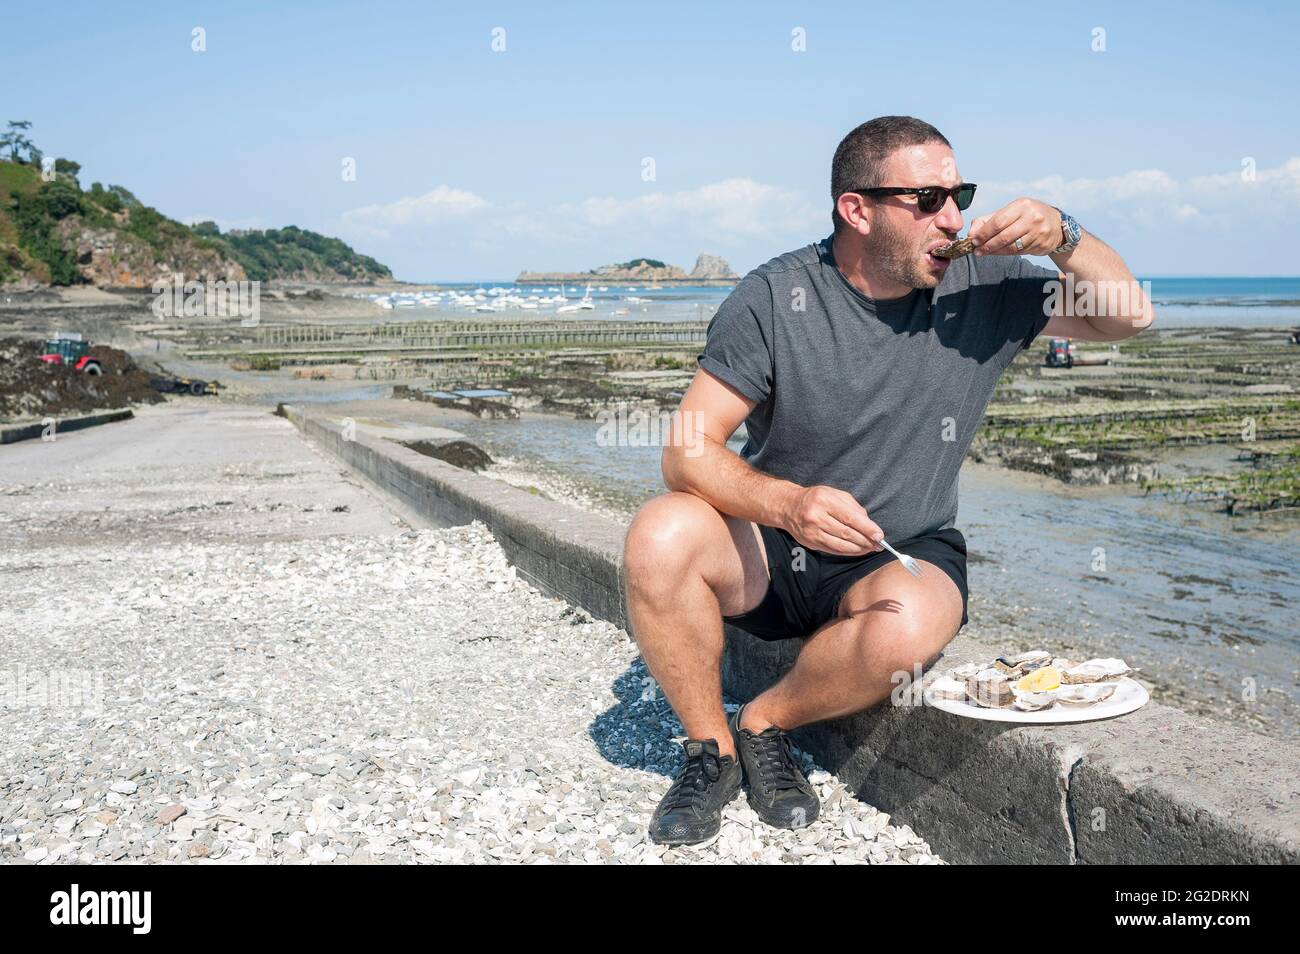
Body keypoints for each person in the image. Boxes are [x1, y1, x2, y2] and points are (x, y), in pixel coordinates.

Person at [622, 116, 1154, 847]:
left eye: (959, 194)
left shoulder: (987, 286)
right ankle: (708, 752)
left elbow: (1130, 318)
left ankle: (764, 723)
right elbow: (686, 449)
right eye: (928, 199)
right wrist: (789, 503)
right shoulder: (776, 296)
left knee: (912, 626)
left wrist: (1065, 235)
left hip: (898, 548)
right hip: (773, 546)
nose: (955, 217)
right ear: (857, 208)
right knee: (659, 531)